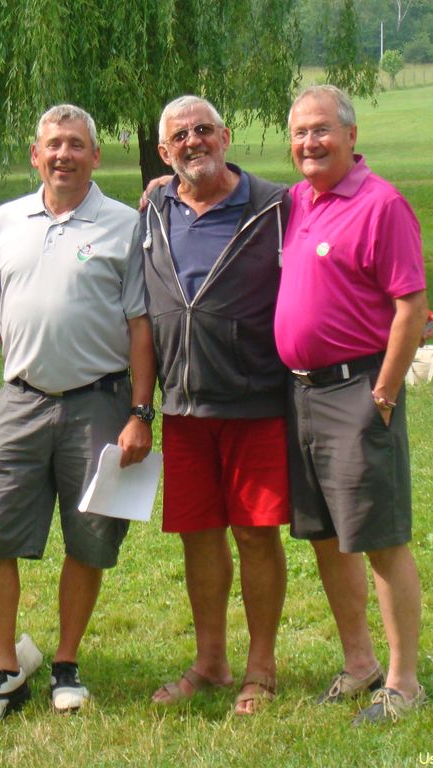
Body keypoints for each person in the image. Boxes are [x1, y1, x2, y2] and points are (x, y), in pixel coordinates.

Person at [0, 104, 156, 726]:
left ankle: (66, 664)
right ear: (36, 155)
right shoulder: (4, 223)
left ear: (96, 156)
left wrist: (141, 412)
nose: (64, 154)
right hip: (20, 400)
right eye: (53, 145)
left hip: (101, 402)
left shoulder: (125, 226)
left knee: (91, 538)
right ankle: (4, 668)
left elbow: (141, 327)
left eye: (76, 144)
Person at [274, 85, 428, 725]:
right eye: (300, 133)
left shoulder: (381, 204)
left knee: (379, 538)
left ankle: (404, 682)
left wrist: (383, 395)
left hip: (357, 392)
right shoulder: (297, 202)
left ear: (351, 135)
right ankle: (359, 662)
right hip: (302, 394)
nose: (310, 143)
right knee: (327, 537)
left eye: (322, 130)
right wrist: (164, 187)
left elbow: (411, 307)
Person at [138, 95, 290, 715]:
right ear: (164, 152)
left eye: (204, 130)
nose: (193, 141)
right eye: (180, 136)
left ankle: (261, 668)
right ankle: (211, 662)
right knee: (198, 536)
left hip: (255, 400)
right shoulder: (153, 212)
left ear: (226, 137)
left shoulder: (275, 205)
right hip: (183, 405)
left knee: (255, 534)